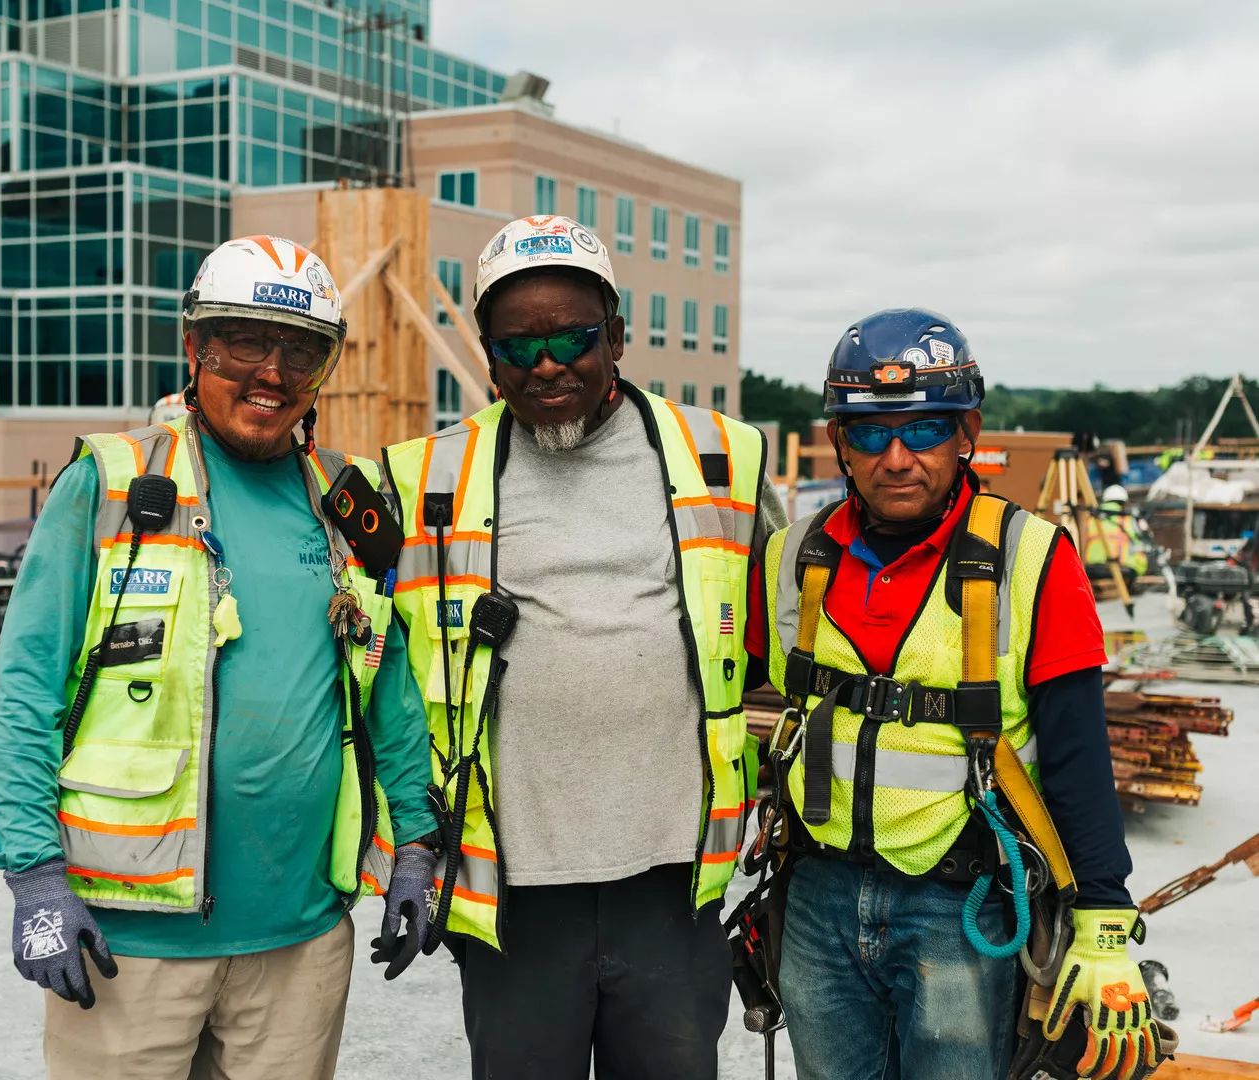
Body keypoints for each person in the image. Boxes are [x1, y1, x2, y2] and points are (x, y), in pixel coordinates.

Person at [0, 235, 438, 1079]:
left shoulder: (347, 504)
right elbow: (22, 694)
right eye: (243, 342)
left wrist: (415, 844)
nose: (272, 371)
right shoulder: (112, 488)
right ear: (195, 349)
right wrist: (36, 875)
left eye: (299, 349)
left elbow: (387, 691)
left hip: (300, 940)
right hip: (127, 942)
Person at [380, 214, 786, 1078]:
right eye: (519, 346)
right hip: (512, 887)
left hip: (676, 883)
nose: (549, 365)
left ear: (619, 338)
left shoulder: (725, 459)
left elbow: (785, 641)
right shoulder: (423, 479)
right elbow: (368, 670)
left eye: (574, 337)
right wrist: (410, 840)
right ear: (488, 355)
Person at [758, 309, 1164, 1080]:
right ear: (840, 442)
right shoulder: (794, 558)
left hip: (963, 905)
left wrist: (1103, 911)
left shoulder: (1032, 558)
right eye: (871, 434)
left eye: (927, 430)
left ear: (967, 433)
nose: (898, 457)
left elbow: (1077, 746)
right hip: (818, 893)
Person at [1086, 484, 1151, 584]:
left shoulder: (1091, 518)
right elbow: (1142, 543)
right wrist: (1140, 570)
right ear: (1124, 502)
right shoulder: (1127, 518)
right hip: (1120, 568)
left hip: (1091, 568)